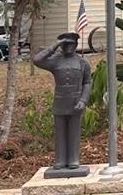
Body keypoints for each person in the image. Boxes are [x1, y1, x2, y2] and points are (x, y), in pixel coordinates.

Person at [32, 32, 91, 173]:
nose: (68, 47)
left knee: (74, 132)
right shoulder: (55, 61)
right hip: (60, 101)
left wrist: (83, 100)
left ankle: (73, 159)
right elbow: (37, 60)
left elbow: (87, 83)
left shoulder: (82, 62)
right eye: (65, 44)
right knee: (60, 132)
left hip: (75, 101)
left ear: (76, 45)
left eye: (71, 44)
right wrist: (55, 45)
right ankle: (60, 159)